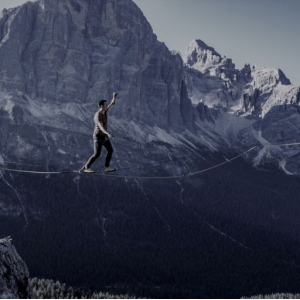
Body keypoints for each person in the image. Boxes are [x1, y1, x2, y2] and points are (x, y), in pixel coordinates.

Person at [80, 93, 118, 173]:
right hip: (98, 137)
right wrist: (108, 133)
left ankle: (107, 167)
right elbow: (101, 127)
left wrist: (114, 97)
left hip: (104, 136)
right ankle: (86, 167)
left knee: (110, 150)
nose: (106, 105)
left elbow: (113, 103)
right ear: (101, 106)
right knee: (97, 154)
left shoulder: (105, 111)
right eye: (105, 104)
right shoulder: (98, 115)